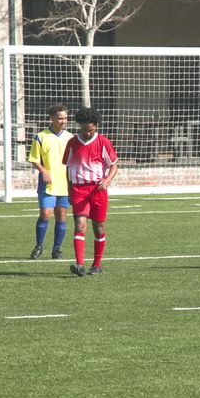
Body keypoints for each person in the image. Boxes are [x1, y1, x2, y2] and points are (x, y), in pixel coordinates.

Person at [62, 107, 119, 277]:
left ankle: (96, 264)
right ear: (80, 126)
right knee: (80, 224)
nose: (87, 133)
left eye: (91, 130)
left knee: (99, 227)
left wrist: (107, 180)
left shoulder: (103, 142)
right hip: (79, 189)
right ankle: (79, 264)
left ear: (96, 126)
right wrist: (69, 189)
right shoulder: (72, 142)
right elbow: (68, 167)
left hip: (97, 190)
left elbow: (114, 165)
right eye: (85, 130)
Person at [27, 103, 73, 260]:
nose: (63, 121)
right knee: (45, 214)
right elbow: (33, 158)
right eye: (60, 118)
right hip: (47, 184)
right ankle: (39, 246)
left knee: (61, 216)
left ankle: (56, 249)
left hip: (65, 184)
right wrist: (44, 171)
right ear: (51, 118)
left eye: (65, 118)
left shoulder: (70, 138)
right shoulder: (41, 137)